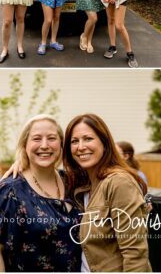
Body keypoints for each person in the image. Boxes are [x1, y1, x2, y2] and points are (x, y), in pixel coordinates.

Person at [0, 115, 81, 272]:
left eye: (51, 138)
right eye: (36, 139)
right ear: (25, 144)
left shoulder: (73, 183)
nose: (44, 145)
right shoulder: (10, 190)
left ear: (61, 144)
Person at [64, 114, 151, 272]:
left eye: (88, 139)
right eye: (74, 141)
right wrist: (23, 162)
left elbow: (135, 253)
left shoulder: (119, 183)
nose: (80, 147)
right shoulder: (83, 185)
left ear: (104, 143)